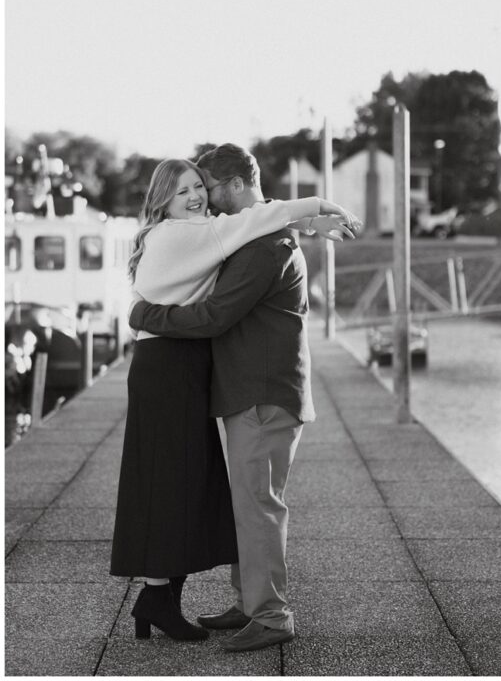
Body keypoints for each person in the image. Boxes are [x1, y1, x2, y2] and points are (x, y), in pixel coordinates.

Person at [110, 157, 353, 643]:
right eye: (185, 191)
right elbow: (249, 220)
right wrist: (309, 216)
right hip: (190, 375)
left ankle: (266, 615)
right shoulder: (197, 234)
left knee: (249, 502)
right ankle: (229, 603)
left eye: (204, 186)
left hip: (255, 390)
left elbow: (216, 314)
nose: (201, 198)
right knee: (199, 491)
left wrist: (144, 315)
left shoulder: (257, 245)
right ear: (165, 201)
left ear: (234, 184)